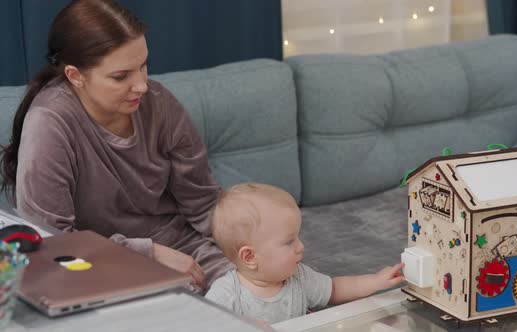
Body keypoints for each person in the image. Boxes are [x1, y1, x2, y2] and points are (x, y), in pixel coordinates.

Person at [0, 0, 232, 292]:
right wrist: (150, 253)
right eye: (121, 76)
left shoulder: (158, 104)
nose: (142, 86)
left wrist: (255, 244)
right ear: (76, 76)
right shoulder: (49, 124)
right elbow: (52, 243)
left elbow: (203, 204)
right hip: (94, 263)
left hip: (184, 249)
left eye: (143, 66)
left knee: (262, 293)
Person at [205, 183, 405, 324]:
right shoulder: (226, 296)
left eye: (297, 237)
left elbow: (334, 289)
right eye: (289, 241)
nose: (301, 246)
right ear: (250, 257)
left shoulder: (298, 277)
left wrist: (374, 281)